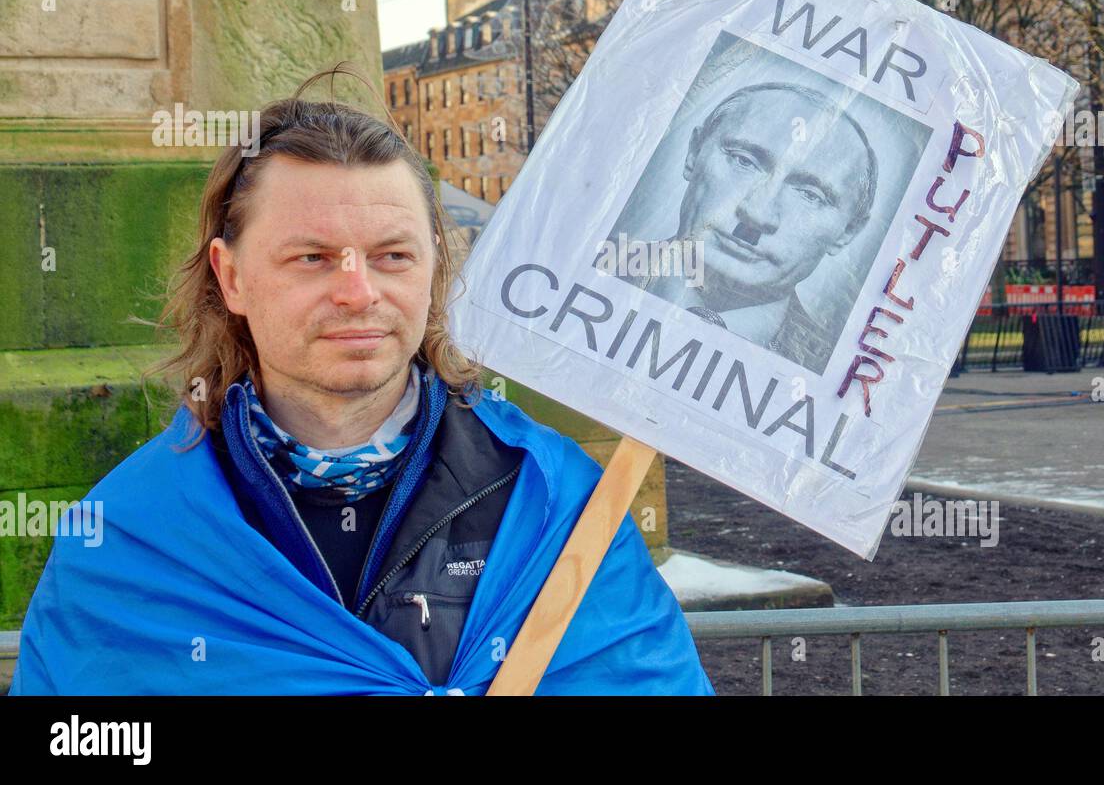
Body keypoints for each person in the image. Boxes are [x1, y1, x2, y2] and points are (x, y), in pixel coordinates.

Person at [9, 65, 713, 696]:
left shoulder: (554, 501)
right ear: (232, 277)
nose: (358, 292)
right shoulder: (133, 533)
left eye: (392, 256)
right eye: (313, 258)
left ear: (433, 268)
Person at [634, 81, 877, 373]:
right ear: (694, 153)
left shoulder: (838, 373)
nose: (757, 214)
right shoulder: (588, 259)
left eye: (810, 195)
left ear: (848, 232)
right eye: (744, 161)